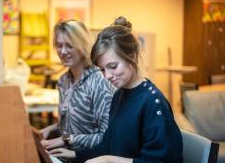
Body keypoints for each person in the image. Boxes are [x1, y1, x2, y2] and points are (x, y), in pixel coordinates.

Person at [49, 16, 183, 163]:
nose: (107, 76)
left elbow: (161, 161)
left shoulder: (153, 102)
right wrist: (76, 155)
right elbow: (108, 144)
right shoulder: (119, 95)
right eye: (102, 70)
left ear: (131, 56)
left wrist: (108, 160)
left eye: (113, 67)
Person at [40, 20, 116, 151]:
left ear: (83, 46)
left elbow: (107, 137)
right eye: (59, 45)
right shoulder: (63, 81)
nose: (62, 51)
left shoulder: (98, 81)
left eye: (69, 46)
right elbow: (70, 125)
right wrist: (49, 129)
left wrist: (65, 140)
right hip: (65, 156)